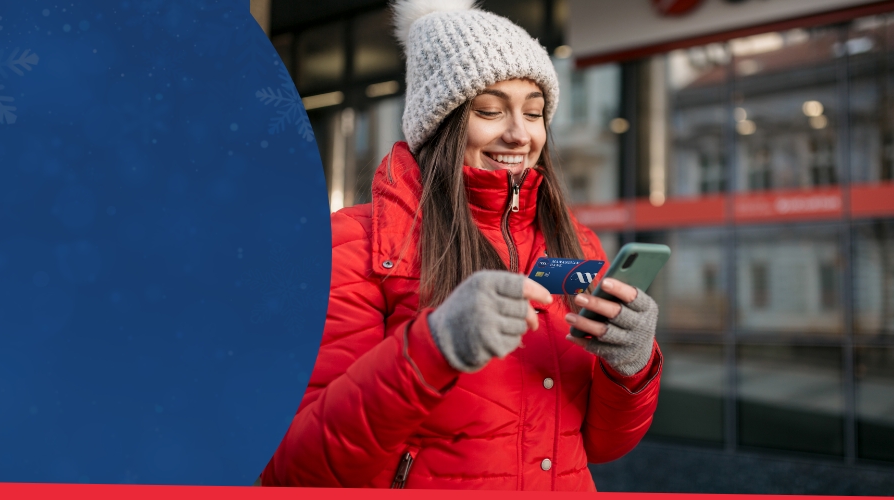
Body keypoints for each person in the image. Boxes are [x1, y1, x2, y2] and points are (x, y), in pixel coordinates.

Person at [258, 0, 663, 490]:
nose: (518, 134)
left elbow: (602, 445)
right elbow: (301, 467)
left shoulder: (576, 243)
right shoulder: (352, 242)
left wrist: (632, 368)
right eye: (490, 110)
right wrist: (435, 346)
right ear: (440, 122)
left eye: (534, 113)